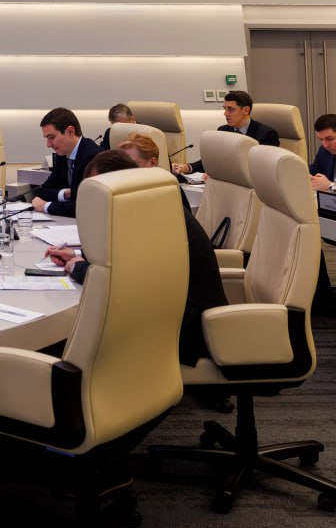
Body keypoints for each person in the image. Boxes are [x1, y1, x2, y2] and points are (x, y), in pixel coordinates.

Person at [45, 150, 227, 367]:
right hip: (166, 317)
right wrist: (76, 255)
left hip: (182, 334)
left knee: (60, 347)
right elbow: (122, 261)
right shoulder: (150, 206)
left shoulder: (150, 217)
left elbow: (120, 283)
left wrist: (79, 268)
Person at [174, 91, 280, 175]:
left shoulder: (267, 134)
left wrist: (219, 174)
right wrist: (187, 167)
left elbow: (261, 168)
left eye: (231, 109)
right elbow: (213, 160)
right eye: (225, 109)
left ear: (246, 110)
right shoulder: (222, 131)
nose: (225, 114)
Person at [33, 107, 101, 218]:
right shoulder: (63, 155)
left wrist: (46, 206)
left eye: (52, 137)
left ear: (70, 131)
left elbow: (82, 206)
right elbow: (44, 191)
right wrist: (64, 194)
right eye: (47, 139)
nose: (48, 145)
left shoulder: (92, 157)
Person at [309, 113, 336, 192]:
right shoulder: (324, 151)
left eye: (330, 139)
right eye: (321, 139)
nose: (325, 145)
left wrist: (331, 186)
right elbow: (312, 172)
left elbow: (329, 186)